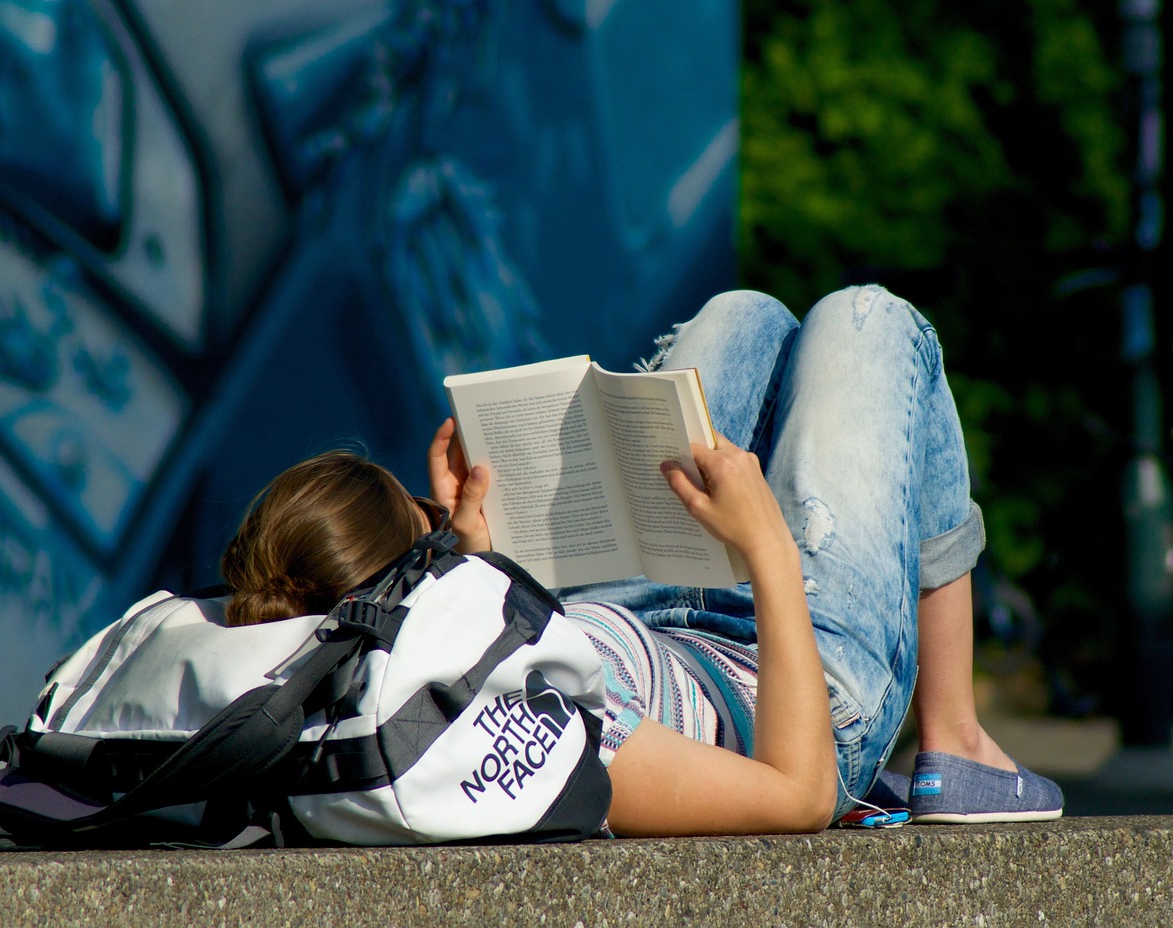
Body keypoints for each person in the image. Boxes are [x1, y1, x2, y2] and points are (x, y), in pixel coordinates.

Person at [220, 285, 1064, 834]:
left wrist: (476, 545)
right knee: (871, 322)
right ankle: (953, 738)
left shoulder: (386, 661)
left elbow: (479, 645)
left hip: (650, 621)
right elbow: (796, 793)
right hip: (790, 687)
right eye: (428, 531)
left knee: (746, 318)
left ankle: (956, 733)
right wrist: (765, 542)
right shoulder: (525, 730)